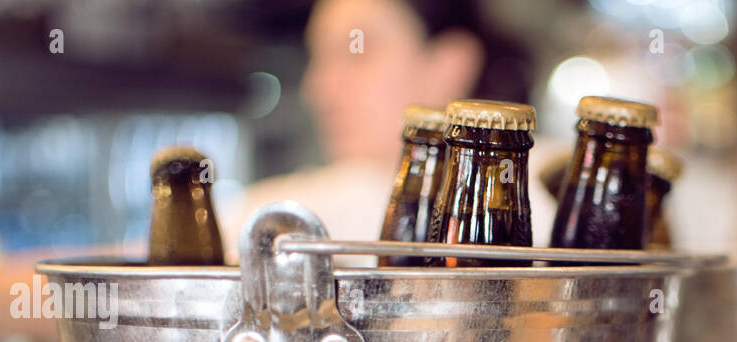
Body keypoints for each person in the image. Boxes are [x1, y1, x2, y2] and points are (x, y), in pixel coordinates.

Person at [222, 0, 555, 256]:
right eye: (317, 57)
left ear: (449, 66)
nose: (318, 87)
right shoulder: (281, 210)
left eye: (357, 52)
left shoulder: (543, 197)